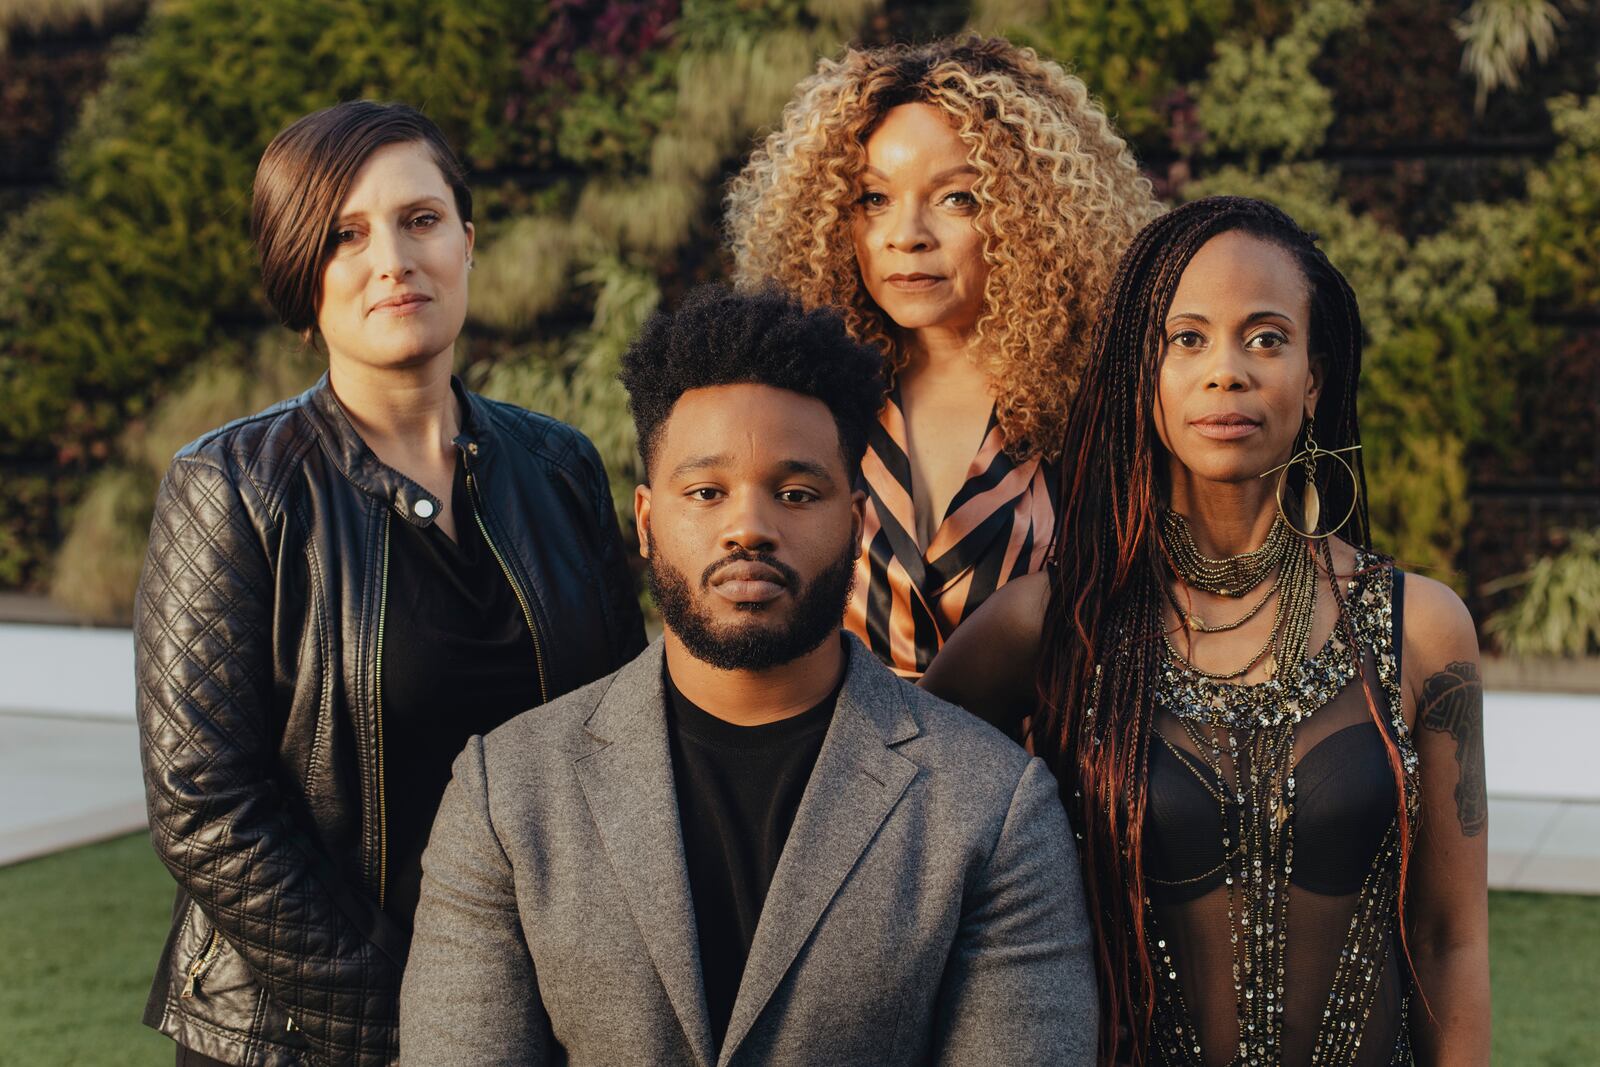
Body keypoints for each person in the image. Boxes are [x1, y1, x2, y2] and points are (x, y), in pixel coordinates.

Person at [399, 286, 1098, 1066]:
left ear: (858, 522)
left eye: (796, 493)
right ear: (646, 519)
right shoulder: (507, 797)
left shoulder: (993, 809)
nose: (749, 527)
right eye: (706, 492)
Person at [135, 101, 645, 1067]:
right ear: (301, 269)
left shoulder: (562, 467)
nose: (393, 261)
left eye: (421, 219)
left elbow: (622, 738)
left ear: (466, 241)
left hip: (543, 1015)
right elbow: (203, 801)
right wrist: (400, 1020)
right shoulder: (233, 487)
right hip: (306, 1034)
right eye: (346, 235)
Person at [922, 197, 1490, 1065]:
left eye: (1266, 338)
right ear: (1140, 376)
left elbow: (1453, 938)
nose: (1227, 370)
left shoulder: (1420, 628)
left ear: (1315, 379)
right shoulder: (1051, 625)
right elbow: (914, 852)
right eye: (1186, 339)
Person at [726, 35, 1160, 679]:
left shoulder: (1103, 401)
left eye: (958, 198)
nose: (906, 236)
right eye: (874, 199)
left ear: (1030, 216)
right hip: (834, 771)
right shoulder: (801, 402)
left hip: (1044, 775)